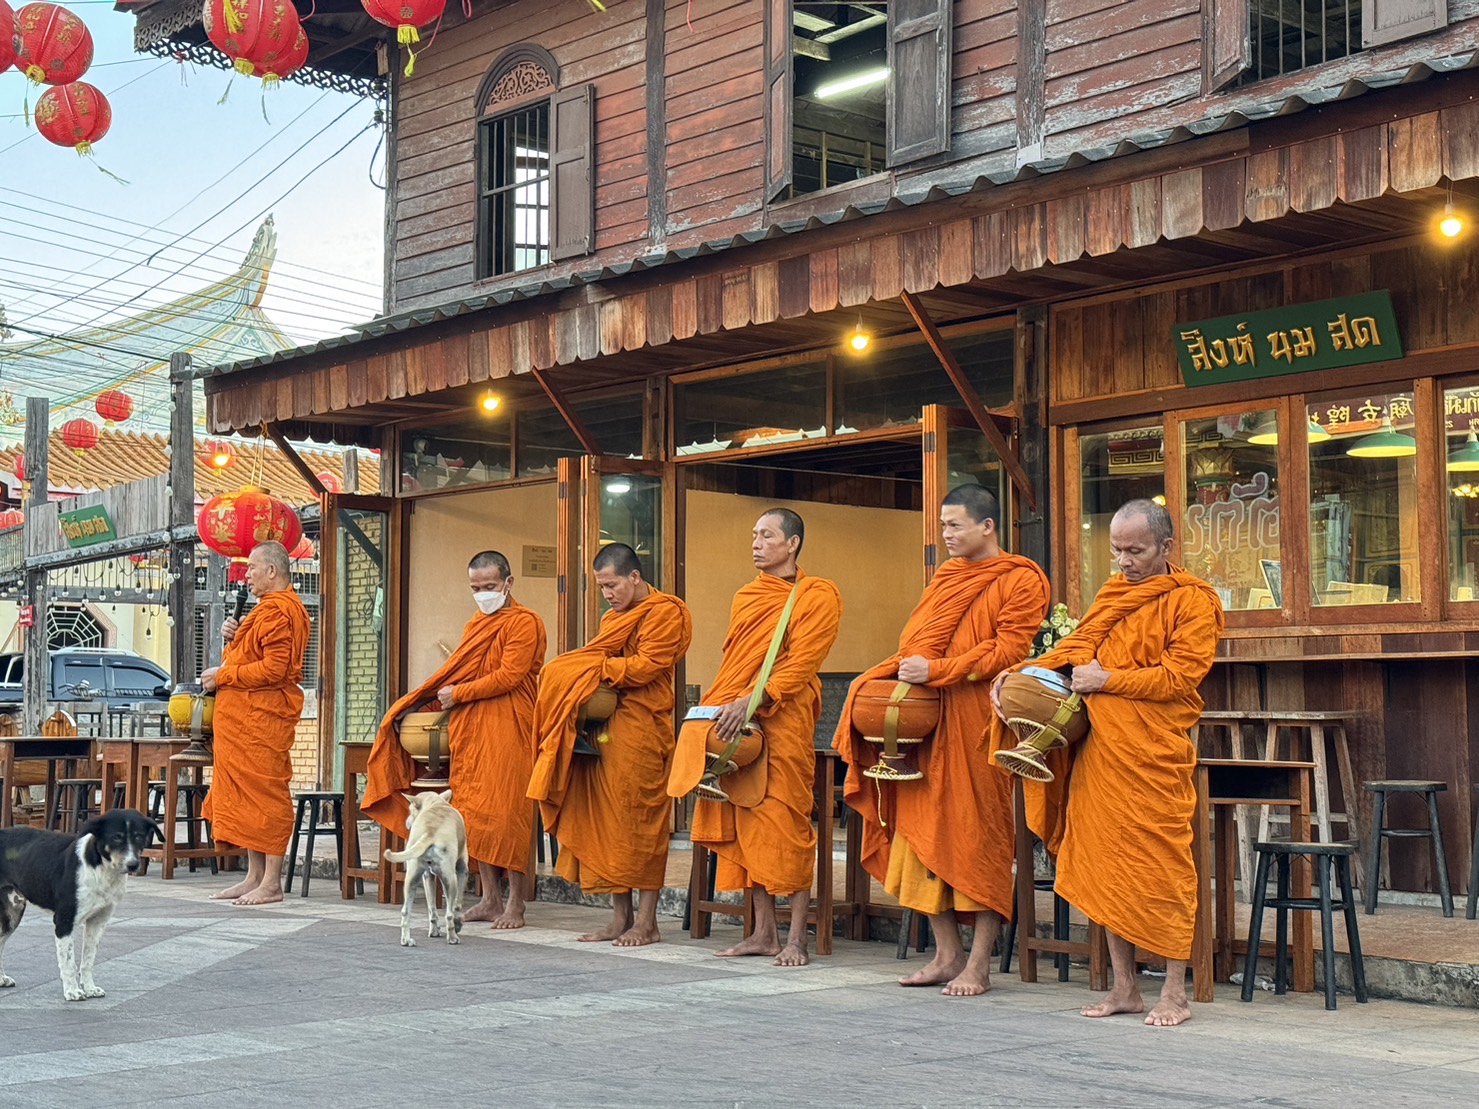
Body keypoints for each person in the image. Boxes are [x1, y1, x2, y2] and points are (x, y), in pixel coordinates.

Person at [992, 499, 1223, 1027]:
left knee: (1163, 868)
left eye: (1136, 551)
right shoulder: (1113, 594)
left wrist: (1108, 680)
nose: (1124, 561)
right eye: (1117, 550)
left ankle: (1173, 993)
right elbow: (1078, 647)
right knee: (1103, 867)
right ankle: (1124, 988)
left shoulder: (1193, 602)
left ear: (1166, 548)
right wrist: (1022, 671)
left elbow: (1179, 678)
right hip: (1101, 751)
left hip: (1153, 753)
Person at [835, 484, 1048, 996]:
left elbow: (1009, 651)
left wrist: (938, 670)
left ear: (987, 526)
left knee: (978, 836)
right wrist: (911, 673)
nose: (946, 536)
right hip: (927, 721)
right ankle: (946, 953)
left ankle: (980, 962)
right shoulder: (946, 577)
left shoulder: (1020, 579)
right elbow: (918, 640)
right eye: (943, 526)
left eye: (954, 525)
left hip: (978, 724)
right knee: (918, 832)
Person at [673, 508, 842, 967]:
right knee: (745, 823)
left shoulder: (817, 595)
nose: (756, 543)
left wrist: (756, 698)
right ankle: (764, 932)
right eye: (754, 535)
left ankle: (797, 939)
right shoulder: (747, 596)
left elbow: (804, 660)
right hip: (737, 718)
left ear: (793, 545)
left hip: (782, 718)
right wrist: (720, 706)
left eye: (767, 536)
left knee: (785, 822)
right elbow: (736, 662)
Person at [365, 550, 546, 929]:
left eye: (490, 587)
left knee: (508, 817)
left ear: (509, 584)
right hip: (472, 735)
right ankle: (489, 899)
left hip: (510, 730)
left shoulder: (525, 623)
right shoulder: (474, 627)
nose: (482, 594)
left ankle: (516, 903)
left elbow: (510, 676)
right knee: (476, 818)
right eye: (476, 588)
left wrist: (458, 694)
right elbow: (457, 673)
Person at [527, 543, 692, 946]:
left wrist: (592, 667)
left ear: (634, 577)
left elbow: (646, 667)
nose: (608, 594)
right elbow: (597, 661)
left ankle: (648, 922)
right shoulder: (611, 618)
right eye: (602, 588)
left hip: (644, 731)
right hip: (605, 729)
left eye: (612, 585)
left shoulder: (665, 611)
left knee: (644, 823)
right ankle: (620, 918)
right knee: (608, 822)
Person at [201, 540, 311, 907]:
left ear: (272, 571)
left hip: (263, 719)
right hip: (242, 720)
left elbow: (275, 670)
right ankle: (254, 876)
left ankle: (273, 882)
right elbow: (248, 660)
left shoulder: (280, 611)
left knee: (265, 793)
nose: (245, 575)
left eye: (251, 568)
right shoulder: (263, 611)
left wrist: (224, 674)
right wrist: (231, 640)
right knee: (246, 796)